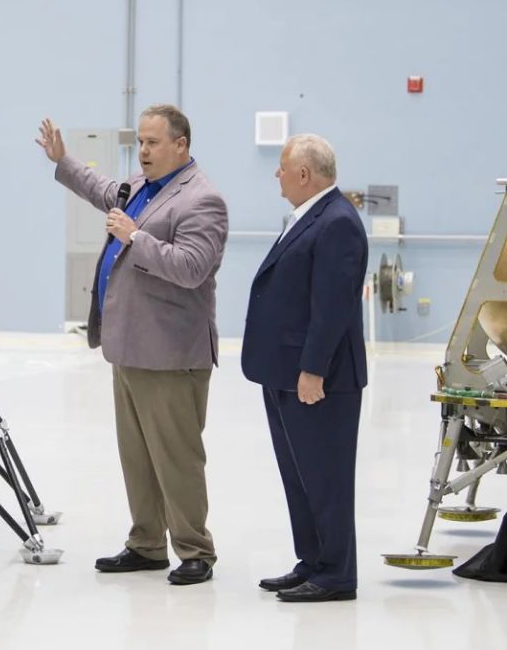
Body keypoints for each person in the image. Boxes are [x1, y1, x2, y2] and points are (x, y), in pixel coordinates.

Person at [36, 105, 227, 585]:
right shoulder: (141, 188)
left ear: (180, 145)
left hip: (170, 354)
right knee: (137, 456)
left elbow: (191, 268)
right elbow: (102, 191)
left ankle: (195, 551)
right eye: (140, 142)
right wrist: (64, 159)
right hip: (129, 348)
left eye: (153, 143)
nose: (142, 151)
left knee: (177, 457)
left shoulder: (201, 200)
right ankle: (146, 543)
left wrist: (135, 236)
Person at [241, 134, 367, 602]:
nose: (276, 174)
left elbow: (332, 306)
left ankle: (336, 573)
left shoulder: (337, 222)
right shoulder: (310, 217)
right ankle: (312, 561)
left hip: (318, 379)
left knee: (326, 478)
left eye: (280, 167)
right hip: (283, 372)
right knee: (300, 476)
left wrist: (313, 369)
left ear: (304, 174)